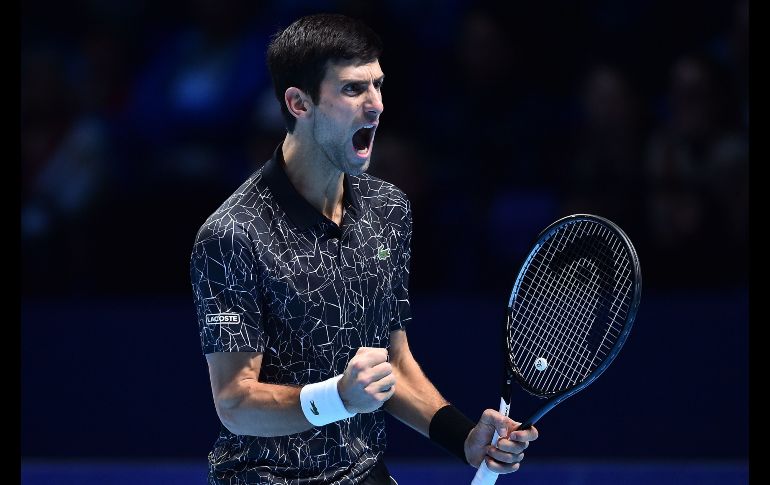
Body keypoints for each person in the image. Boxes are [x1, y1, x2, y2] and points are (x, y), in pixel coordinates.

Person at [190, 13, 538, 485]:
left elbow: (391, 365)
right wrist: (337, 397)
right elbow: (234, 401)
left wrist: (463, 437)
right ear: (299, 102)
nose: (375, 106)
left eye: (378, 85)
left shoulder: (388, 210)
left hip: (365, 474)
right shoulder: (233, 235)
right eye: (353, 89)